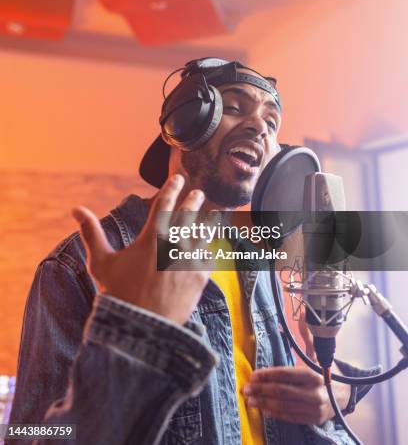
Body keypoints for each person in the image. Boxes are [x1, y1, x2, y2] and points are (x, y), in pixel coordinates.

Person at [9, 58, 378, 445]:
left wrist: (337, 393)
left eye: (272, 124)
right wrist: (141, 334)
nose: (259, 128)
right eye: (235, 108)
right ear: (180, 123)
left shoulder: (255, 256)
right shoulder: (75, 266)